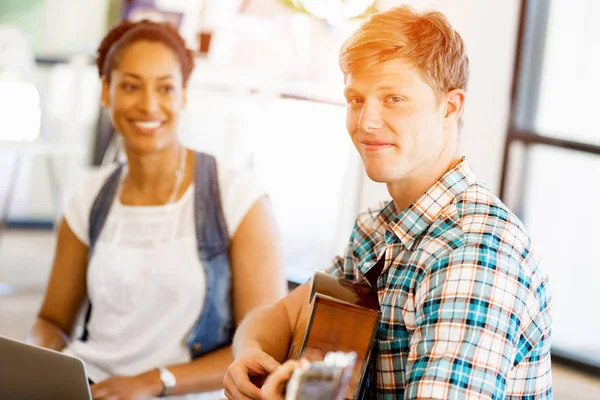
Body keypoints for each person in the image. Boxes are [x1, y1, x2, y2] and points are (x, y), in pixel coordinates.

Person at [223, 6, 552, 400]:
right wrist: (250, 352)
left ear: (450, 107)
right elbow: (276, 315)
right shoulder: (377, 228)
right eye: (356, 99)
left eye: (393, 98)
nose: (366, 122)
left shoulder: (473, 251)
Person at [27, 19, 287, 399]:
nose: (148, 105)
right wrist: (34, 362)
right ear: (106, 91)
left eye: (165, 87)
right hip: (91, 389)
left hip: (180, 393)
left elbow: (264, 351)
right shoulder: (87, 197)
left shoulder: (237, 197)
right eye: (131, 86)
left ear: (184, 95)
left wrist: (153, 380)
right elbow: (51, 321)